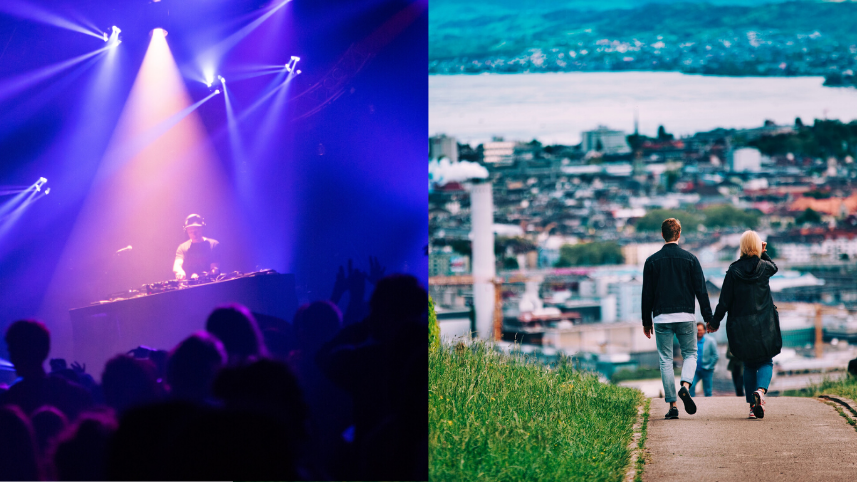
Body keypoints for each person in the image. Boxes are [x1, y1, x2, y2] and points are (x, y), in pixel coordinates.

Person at [641, 218, 713, 419]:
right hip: (686, 316)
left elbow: (647, 294)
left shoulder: (651, 261)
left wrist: (646, 321)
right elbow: (701, 291)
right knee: (690, 353)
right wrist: (709, 318)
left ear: (662, 235)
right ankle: (686, 385)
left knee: (665, 360)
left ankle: (673, 406)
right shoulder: (691, 259)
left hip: (662, 317)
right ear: (679, 235)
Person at [708, 230, 780, 420]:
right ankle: (761, 392)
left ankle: (751, 407)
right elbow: (774, 267)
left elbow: (724, 301)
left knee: (748, 365)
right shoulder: (764, 267)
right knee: (766, 360)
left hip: (742, 326)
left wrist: (714, 322)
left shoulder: (733, 271)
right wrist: (763, 252)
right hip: (764, 323)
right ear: (757, 246)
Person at [173, 214, 220, 280]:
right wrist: (180, 271)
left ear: (202, 229)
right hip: (190, 286)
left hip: (210, 284)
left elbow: (214, 268)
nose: (194, 234)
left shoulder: (213, 245)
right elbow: (177, 266)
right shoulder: (182, 247)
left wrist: (201, 276)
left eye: (196, 231)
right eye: (190, 231)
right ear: (186, 231)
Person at [690, 322, 718, 397]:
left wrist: (709, 366)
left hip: (707, 370)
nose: (699, 332)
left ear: (704, 330)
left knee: (708, 391)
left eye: (700, 330)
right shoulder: (692, 341)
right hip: (695, 370)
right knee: (691, 386)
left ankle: (708, 406)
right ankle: (691, 403)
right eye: (697, 330)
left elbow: (716, 356)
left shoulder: (711, 341)